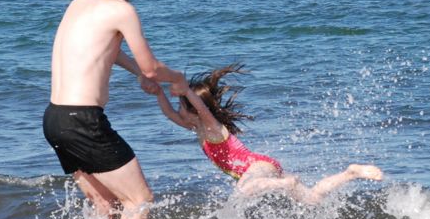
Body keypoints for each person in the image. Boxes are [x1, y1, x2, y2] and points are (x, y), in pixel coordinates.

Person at [43, 0, 189, 219]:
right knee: (140, 201)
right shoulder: (122, 10)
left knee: (105, 202)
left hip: (55, 119)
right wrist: (177, 79)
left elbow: (107, 49)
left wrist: (137, 73)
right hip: (83, 120)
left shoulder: (78, 4)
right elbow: (152, 68)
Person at [155, 64, 384, 204]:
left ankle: (287, 184)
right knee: (313, 199)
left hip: (257, 167)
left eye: (181, 107)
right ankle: (351, 173)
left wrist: (186, 90)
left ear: (194, 111)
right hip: (262, 171)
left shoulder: (211, 127)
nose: (178, 111)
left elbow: (203, 109)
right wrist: (156, 91)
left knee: (243, 191)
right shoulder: (197, 128)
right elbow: (168, 113)